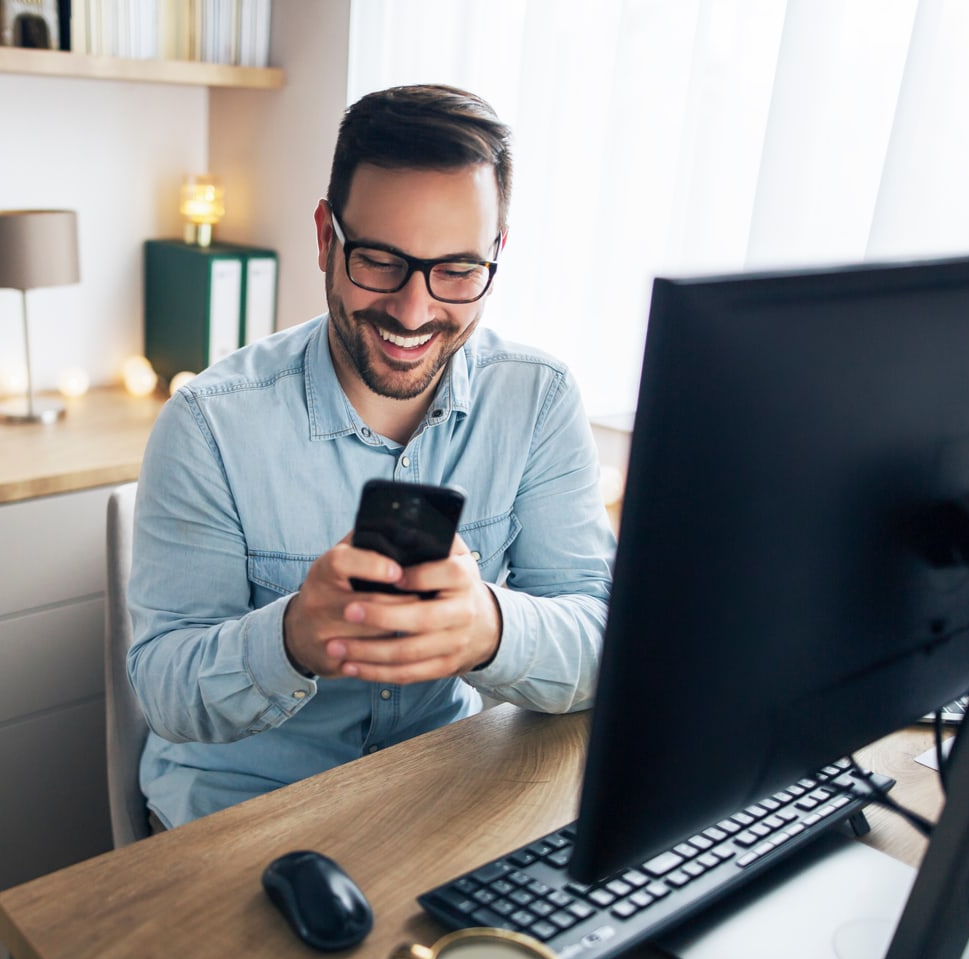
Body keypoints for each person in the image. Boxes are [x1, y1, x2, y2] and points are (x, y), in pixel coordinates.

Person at [128, 84, 616, 830]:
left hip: (439, 802)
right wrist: (290, 638)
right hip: (243, 818)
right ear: (326, 238)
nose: (415, 312)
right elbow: (162, 687)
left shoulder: (539, 401)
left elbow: (604, 635)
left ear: (496, 255)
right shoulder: (208, 424)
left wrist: (490, 626)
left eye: (456, 270)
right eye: (381, 262)